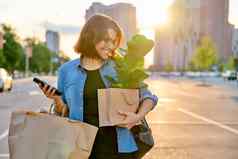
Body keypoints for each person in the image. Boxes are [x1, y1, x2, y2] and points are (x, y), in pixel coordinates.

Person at [40, 14, 158, 159]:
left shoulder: (120, 66)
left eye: (114, 41)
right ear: (90, 36)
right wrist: (57, 99)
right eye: (107, 40)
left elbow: (148, 96)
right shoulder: (66, 71)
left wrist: (137, 116)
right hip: (80, 149)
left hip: (118, 148)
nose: (112, 46)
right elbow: (64, 113)